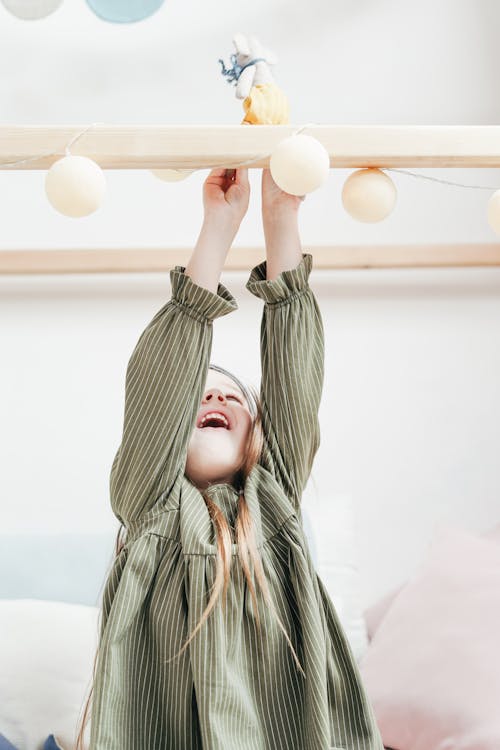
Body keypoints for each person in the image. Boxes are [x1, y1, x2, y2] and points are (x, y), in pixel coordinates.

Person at [78, 167, 384, 750]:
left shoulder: (275, 495)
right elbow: (160, 385)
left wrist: (280, 219)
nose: (216, 396)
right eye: (202, 393)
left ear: (259, 438)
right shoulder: (150, 506)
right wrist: (218, 229)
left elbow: (295, 377)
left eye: (235, 397)